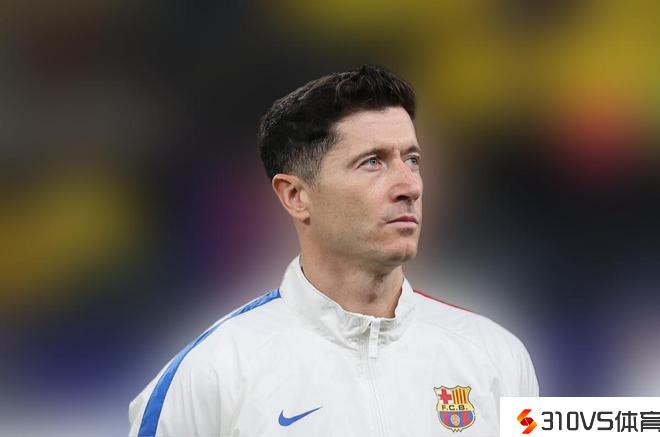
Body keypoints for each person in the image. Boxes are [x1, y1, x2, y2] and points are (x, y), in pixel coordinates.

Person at [128, 64, 539, 436]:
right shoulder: (209, 374)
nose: (410, 186)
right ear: (295, 196)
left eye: (412, 160)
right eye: (373, 162)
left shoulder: (498, 356)